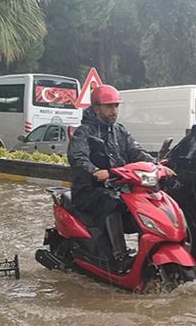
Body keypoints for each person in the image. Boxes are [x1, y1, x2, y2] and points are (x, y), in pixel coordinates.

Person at [68, 85, 167, 273]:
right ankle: (119, 256)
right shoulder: (84, 132)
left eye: (116, 106)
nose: (114, 111)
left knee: (146, 202)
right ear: (96, 108)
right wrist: (94, 170)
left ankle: (147, 253)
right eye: (109, 107)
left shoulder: (120, 131)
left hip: (118, 187)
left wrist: (157, 165)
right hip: (90, 190)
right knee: (113, 202)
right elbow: (77, 157)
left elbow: (136, 152)